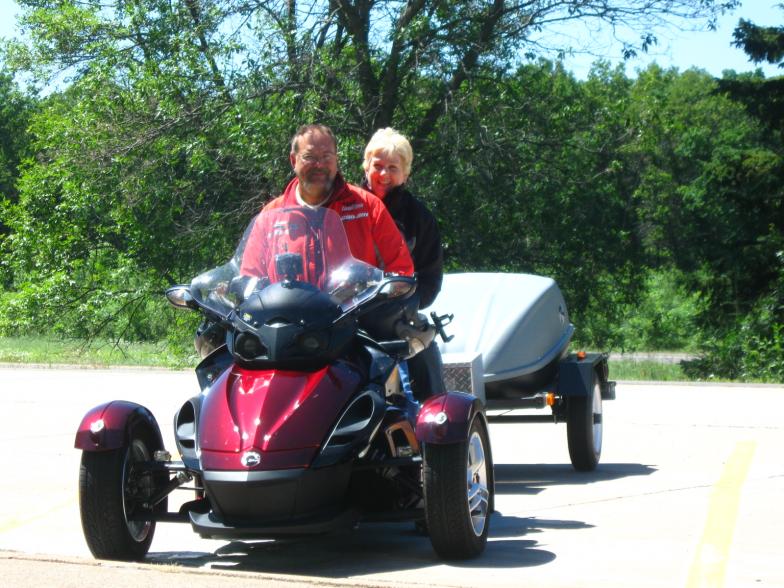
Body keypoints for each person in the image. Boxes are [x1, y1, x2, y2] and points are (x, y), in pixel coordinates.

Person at [241, 124, 414, 279]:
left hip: (356, 314)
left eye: (326, 156)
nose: (319, 164)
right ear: (293, 160)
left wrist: (384, 303)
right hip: (288, 314)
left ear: (336, 159)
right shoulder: (271, 216)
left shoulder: (368, 206)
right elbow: (250, 279)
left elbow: (401, 269)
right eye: (309, 157)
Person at [362, 127, 446, 401]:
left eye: (393, 168)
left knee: (424, 351)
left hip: (398, 315)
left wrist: (407, 304)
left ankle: (434, 431)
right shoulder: (345, 207)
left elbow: (430, 278)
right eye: (378, 166)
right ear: (366, 167)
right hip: (347, 314)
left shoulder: (419, 218)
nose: (384, 174)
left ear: (406, 173)